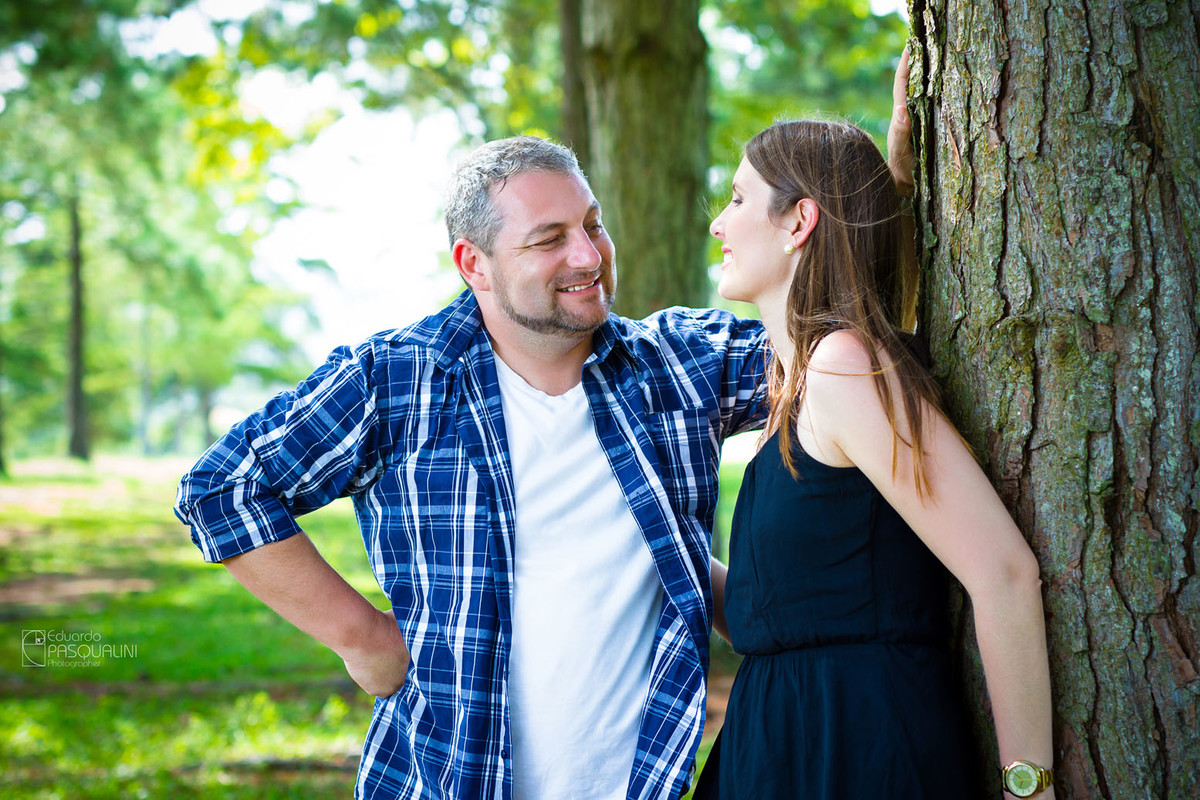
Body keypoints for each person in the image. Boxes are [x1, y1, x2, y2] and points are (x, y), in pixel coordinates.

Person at [693, 117, 1055, 799]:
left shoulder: (844, 366)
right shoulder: (800, 385)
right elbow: (773, 616)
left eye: (738, 199)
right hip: (779, 743)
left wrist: (1029, 787)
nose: (719, 223)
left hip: (858, 747)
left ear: (800, 220)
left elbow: (1004, 573)